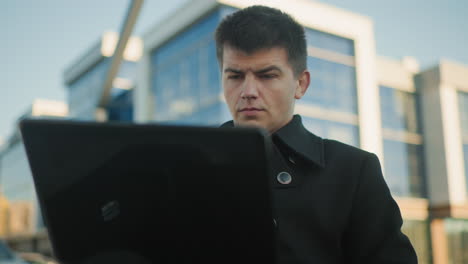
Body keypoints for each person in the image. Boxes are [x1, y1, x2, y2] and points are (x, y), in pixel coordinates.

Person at [216, 5, 418, 264]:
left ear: (300, 84)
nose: (249, 91)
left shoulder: (354, 171)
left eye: (267, 75)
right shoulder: (189, 168)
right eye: (235, 76)